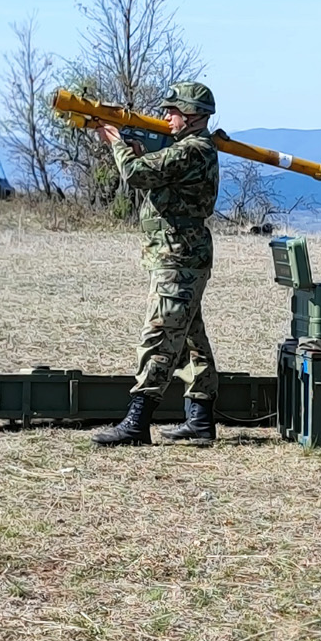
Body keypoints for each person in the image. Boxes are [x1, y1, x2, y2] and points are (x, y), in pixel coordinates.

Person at [90, 83, 223, 447]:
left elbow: (135, 174)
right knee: (191, 338)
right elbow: (151, 170)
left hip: (179, 257)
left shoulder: (193, 150)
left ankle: (137, 421)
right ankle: (199, 419)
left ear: (193, 115)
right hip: (179, 255)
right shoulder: (186, 148)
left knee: (161, 334)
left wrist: (116, 142)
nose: (166, 117)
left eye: (172, 111)